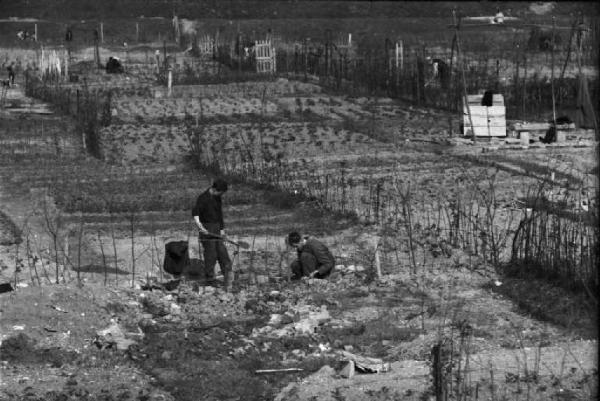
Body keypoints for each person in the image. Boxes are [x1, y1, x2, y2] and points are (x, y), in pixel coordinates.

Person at [192, 179, 232, 290]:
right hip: (206, 229)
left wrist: (222, 230)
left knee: (222, 253)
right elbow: (195, 213)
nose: (222, 195)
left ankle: (228, 277)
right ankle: (210, 280)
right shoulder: (203, 198)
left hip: (216, 228)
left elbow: (219, 214)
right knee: (211, 254)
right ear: (215, 189)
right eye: (221, 192)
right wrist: (200, 227)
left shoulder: (217, 197)